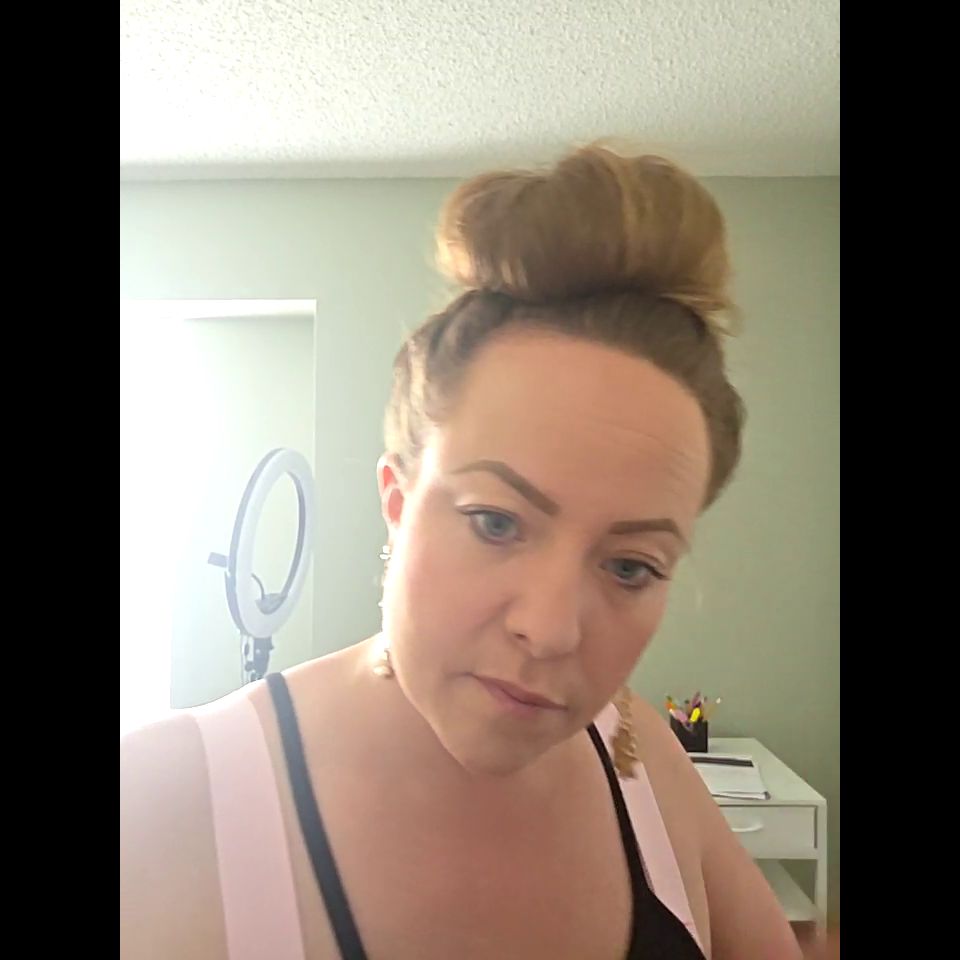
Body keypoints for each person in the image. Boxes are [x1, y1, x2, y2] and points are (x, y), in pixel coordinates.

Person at [121, 143, 812, 959]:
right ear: (397, 502)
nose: (549, 630)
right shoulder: (159, 802)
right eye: (495, 522)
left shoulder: (642, 762)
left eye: (630, 567)